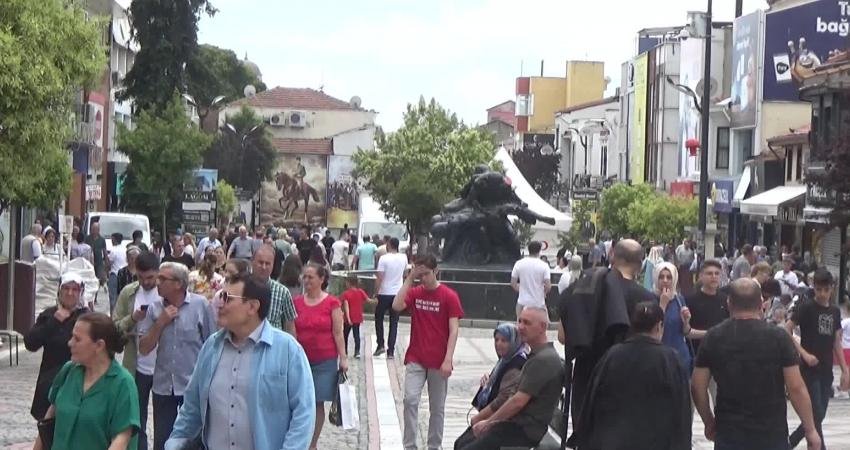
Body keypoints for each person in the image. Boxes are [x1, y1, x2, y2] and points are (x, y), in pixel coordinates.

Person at [165, 273, 316, 450]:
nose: (219, 303)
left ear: (252, 307)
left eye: (227, 298)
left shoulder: (288, 350)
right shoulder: (211, 347)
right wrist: (175, 443)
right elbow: (192, 407)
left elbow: (304, 414)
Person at [693, 278, 821, 450]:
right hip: (771, 434)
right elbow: (796, 388)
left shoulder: (713, 337)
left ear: (729, 303)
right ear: (761, 304)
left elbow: (697, 386)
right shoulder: (778, 338)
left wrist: (708, 421)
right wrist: (810, 430)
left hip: (729, 433)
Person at [577, 301, 691, 449]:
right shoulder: (671, 360)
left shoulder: (611, 356)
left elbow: (590, 404)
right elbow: (682, 413)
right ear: (659, 326)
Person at [458, 307, 564, 450]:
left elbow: (517, 402)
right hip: (515, 424)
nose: (521, 327)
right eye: (519, 321)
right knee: (462, 442)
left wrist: (488, 422)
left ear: (543, 327)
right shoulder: (536, 356)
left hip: (524, 431)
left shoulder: (543, 359)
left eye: (527, 323)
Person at [138, 262, 217, 450]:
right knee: (162, 442)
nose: (157, 282)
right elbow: (144, 348)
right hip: (163, 387)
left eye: (162, 279)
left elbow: (212, 345)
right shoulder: (154, 309)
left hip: (192, 387)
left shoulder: (200, 305)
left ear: (178, 284)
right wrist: (160, 323)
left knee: (193, 442)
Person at [36, 313, 140, 450]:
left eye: (77, 339)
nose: (70, 343)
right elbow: (50, 415)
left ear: (99, 345)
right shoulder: (68, 371)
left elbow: (121, 439)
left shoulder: (122, 383)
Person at [391, 254, 463, 450]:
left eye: (426, 274)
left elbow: (454, 329)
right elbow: (396, 305)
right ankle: (409, 445)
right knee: (410, 400)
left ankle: (434, 446)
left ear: (435, 271)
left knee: (437, 408)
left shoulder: (449, 296)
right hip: (416, 356)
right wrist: (409, 278)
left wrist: (448, 359)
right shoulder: (415, 293)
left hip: (438, 359)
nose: (423, 278)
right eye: (419, 275)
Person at [786, 269, 850, 448]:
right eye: (819, 289)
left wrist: (845, 370)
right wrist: (803, 353)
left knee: (817, 416)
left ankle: (790, 443)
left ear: (832, 288)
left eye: (826, 290)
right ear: (813, 288)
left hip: (826, 369)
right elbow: (786, 329)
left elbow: (836, 341)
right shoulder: (806, 308)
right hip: (808, 369)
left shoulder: (835, 311)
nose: (822, 294)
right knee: (816, 412)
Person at [294, 263, 347, 450]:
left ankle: (312, 443)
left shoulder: (332, 303)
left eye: (311, 277)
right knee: (299, 401)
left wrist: (344, 357)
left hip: (325, 360)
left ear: (321, 279)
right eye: (305, 277)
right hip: (301, 360)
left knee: (317, 402)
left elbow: (338, 332)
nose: (307, 280)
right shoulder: (296, 302)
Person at [24, 273, 89, 423]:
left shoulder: (87, 318)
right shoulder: (49, 315)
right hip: (49, 382)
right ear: (59, 290)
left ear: (81, 292)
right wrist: (54, 321)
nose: (70, 293)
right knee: (46, 430)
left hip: (77, 384)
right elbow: (30, 343)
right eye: (66, 288)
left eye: (75, 289)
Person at [112, 251, 160, 450]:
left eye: (150, 277)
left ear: (158, 273)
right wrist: (132, 318)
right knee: (136, 418)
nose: (146, 282)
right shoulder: (128, 293)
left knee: (163, 420)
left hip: (164, 368)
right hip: (136, 365)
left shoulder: (167, 291)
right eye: (141, 277)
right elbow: (114, 327)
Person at [454, 323, 527, 450]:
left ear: (513, 342)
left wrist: (479, 418)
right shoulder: (505, 361)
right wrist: (489, 382)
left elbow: (502, 400)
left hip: (504, 423)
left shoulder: (515, 366)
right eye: (496, 340)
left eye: (504, 340)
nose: (498, 344)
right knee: (460, 443)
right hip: (495, 420)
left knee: (463, 445)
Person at [653, 262, 693, 373]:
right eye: (661, 277)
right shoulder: (650, 298)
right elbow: (653, 330)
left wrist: (686, 321)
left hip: (680, 356)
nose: (665, 280)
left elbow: (685, 332)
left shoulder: (679, 299)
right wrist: (663, 305)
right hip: (659, 357)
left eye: (669, 277)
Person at [373, 237, 408, 358]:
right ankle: (391, 350)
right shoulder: (403, 257)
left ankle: (380, 344)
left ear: (389, 245)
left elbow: (379, 277)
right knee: (394, 322)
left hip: (384, 292)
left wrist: (375, 293)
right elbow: (405, 274)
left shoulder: (384, 258)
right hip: (397, 293)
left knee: (379, 318)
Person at [252, 244, 297, 335]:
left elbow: (290, 327)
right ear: (252, 262)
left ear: (273, 265)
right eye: (260, 262)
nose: (264, 267)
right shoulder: (241, 288)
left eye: (267, 264)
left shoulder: (282, 292)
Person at [510, 241, 552, 319]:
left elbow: (513, 283)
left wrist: (522, 290)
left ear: (529, 250)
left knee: (521, 324)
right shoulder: (544, 265)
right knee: (540, 325)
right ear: (539, 250)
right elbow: (548, 286)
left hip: (522, 302)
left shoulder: (519, 263)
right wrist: (543, 293)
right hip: (538, 303)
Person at [341, 274, 368, 358]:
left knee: (345, 335)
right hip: (357, 318)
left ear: (348, 283)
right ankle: (357, 352)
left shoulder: (346, 294)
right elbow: (368, 300)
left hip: (348, 319)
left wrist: (348, 318)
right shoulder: (360, 292)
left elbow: (346, 307)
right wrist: (376, 300)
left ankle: (345, 351)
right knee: (356, 335)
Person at [107, 233, 127, 312]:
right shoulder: (125, 249)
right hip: (124, 275)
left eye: (112, 239)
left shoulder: (114, 250)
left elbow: (109, 263)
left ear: (114, 240)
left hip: (115, 274)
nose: (111, 241)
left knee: (113, 298)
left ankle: (113, 316)